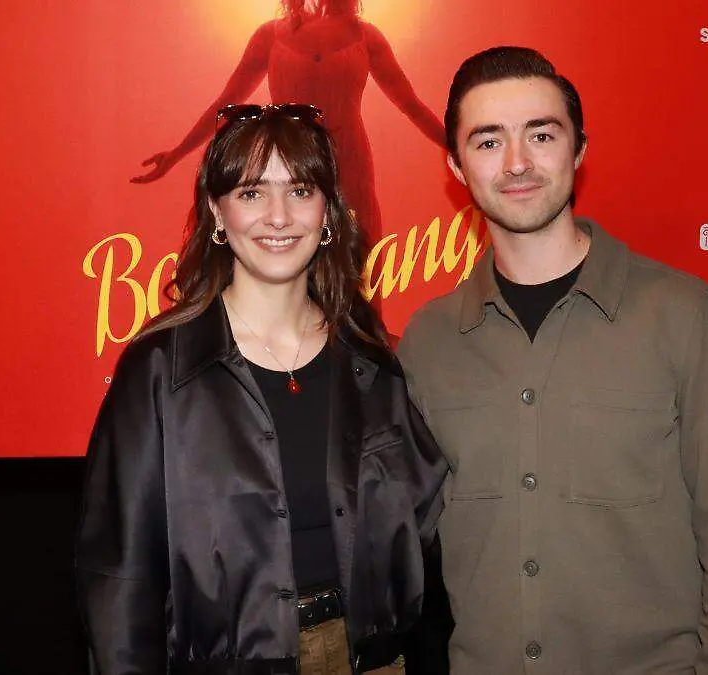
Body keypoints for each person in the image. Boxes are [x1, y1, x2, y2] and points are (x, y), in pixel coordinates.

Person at [397, 46, 708, 673]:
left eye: (542, 135)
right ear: (456, 165)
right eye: (489, 141)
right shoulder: (428, 341)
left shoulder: (682, 314)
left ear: (579, 150)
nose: (517, 162)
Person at [78, 103, 450, 674]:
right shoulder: (160, 369)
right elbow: (119, 576)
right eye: (252, 193)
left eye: (300, 190)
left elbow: (430, 528)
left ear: (328, 211)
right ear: (217, 211)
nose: (279, 217)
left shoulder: (372, 360)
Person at [130, 0, 445, 243]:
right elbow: (226, 104)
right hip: (288, 164)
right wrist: (175, 155)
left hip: (349, 165)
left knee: (353, 266)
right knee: (292, 260)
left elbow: (411, 106)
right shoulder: (270, 35)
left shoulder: (366, 37)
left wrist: (454, 146)